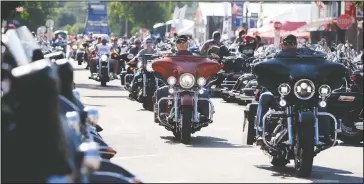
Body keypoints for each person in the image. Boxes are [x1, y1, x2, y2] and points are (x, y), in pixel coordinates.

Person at [254, 34, 332, 146]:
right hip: (282, 93)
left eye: (293, 43)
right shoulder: (276, 56)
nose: (290, 45)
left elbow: (313, 66)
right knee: (264, 97)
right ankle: (261, 132)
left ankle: (325, 134)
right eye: (287, 43)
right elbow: (266, 67)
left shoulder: (304, 56)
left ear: (296, 44)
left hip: (302, 93)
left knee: (322, 103)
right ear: (282, 44)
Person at [155, 35, 210, 123]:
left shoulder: (195, 57)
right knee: (160, 91)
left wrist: (211, 62)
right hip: (175, 85)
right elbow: (163, 65)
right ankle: (161, 114)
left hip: (192, 84)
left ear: (187, 44)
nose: (181, 44)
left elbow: (203, 63)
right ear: (176, 45)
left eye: (183, 42)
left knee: (204, 92)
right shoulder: (170, 57)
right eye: (179, 42)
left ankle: (204, 115)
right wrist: (159, 65)